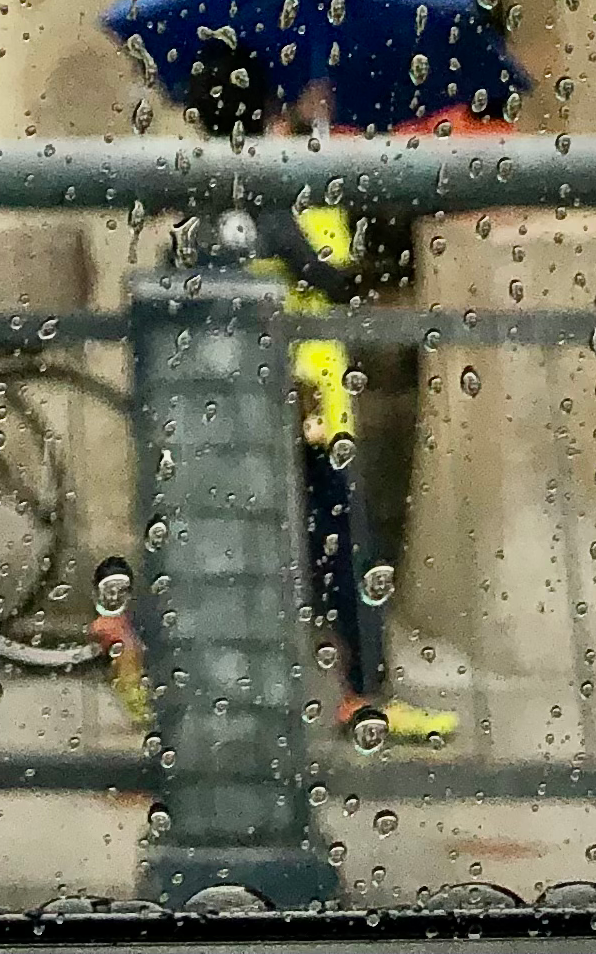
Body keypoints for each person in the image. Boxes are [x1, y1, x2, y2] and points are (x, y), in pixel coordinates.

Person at [170, 43, 454, 746]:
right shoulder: (263, 181)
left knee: (227, 544)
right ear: (261, 104)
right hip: (305, 398)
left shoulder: (211, 181)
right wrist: (354, 262)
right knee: (345, 545)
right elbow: (320, 274)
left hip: (247, 398)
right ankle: (367, 695)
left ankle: (154, 651)